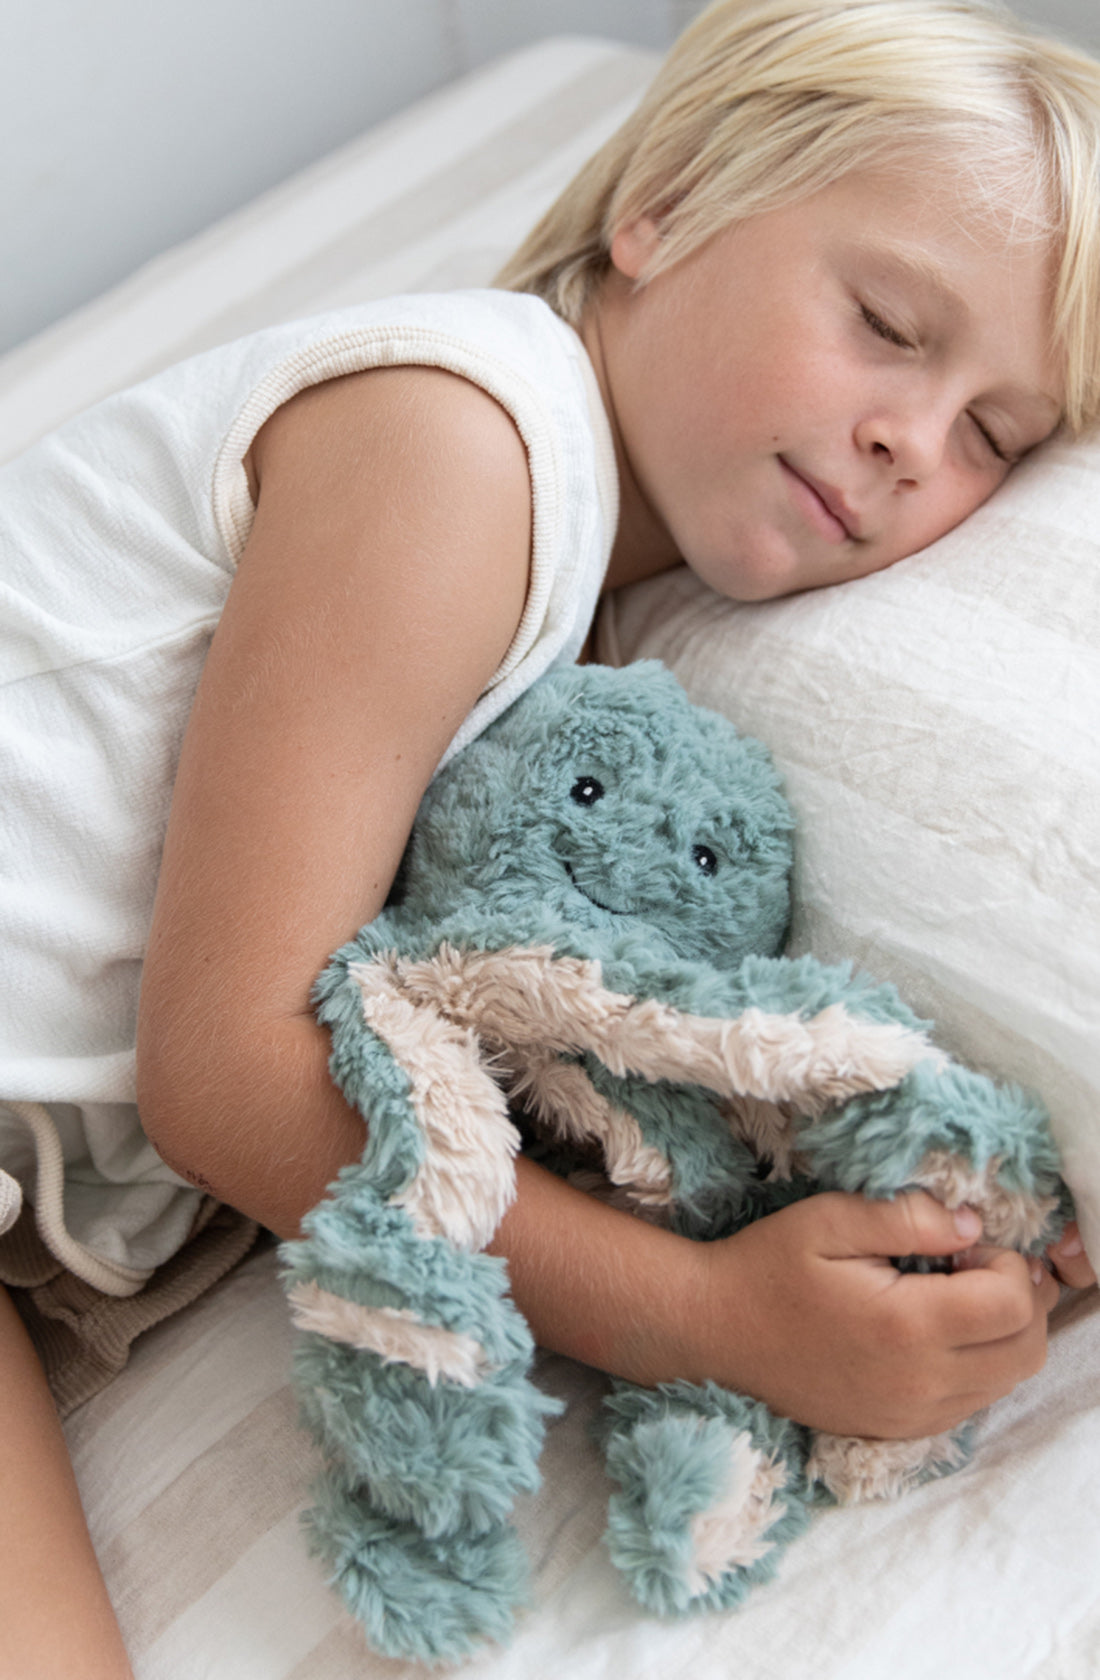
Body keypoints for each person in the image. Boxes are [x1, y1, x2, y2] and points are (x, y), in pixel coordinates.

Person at [2, 0, 1099, 1673]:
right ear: (660, 205)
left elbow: (534, 1027)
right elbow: (226, 1076)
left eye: (993, 438)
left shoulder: (593, 626)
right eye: (887, 323)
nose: (911, 441)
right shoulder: (460, 440)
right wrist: (719, 1325)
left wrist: (948, 1218)